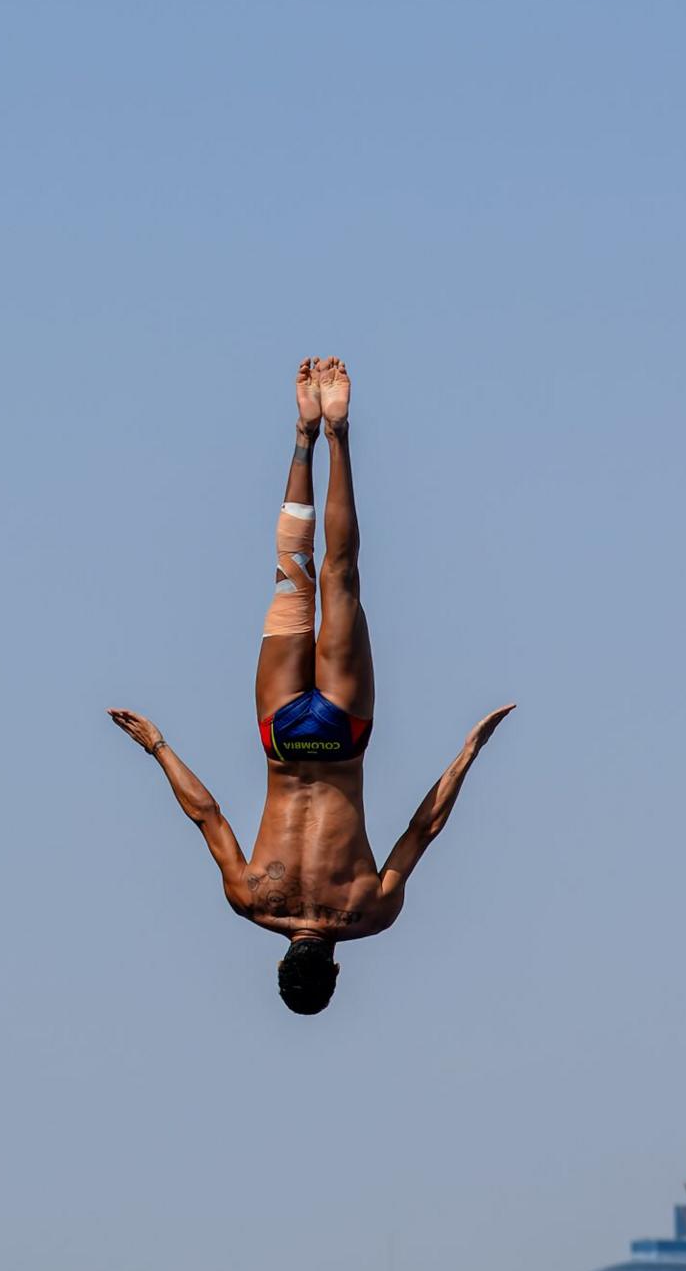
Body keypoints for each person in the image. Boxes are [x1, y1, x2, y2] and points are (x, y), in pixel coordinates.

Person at [109, 359, 511, 1013]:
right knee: (291, 576)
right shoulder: (249, 897)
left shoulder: (368, 914)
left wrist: (467, 753)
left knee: (341, 577)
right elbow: (205, 813)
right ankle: (303, 432)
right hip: (282, 735)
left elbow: (424, 827)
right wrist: (157, 745)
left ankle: (338, 433)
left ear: (334, 975)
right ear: (279, 966)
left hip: (342, 739)